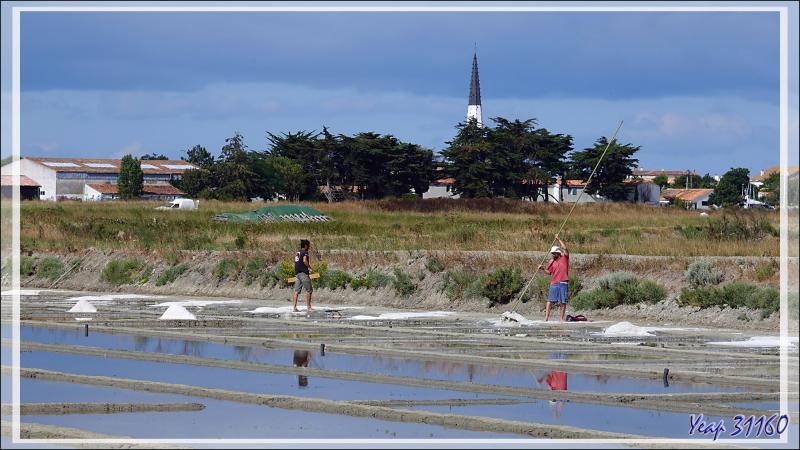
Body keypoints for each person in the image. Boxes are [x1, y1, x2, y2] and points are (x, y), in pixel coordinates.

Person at [536, 234, 569, 322]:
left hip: (563, 282)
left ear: (558, 253)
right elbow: (549, 272)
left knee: (563, 302)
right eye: (552, 253)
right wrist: (542, 268)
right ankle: (546, 318)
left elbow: (565, 248)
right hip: (554, 283)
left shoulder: (564, 258)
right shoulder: (551, 261)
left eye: (554, 253)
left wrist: (558, 239)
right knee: (550, 301)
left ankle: (561, 319)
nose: (553, 255)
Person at [292, 239, 314, 313]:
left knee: (296, 291)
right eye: (308, 245)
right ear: (306, 246)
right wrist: (309, 267)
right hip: (303, 273)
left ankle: (294, 307)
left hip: (297, 273)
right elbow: (304, 260)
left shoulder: (298, 252)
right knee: (309, 290)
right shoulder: (305, 252)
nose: (309, 247)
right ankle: (309, 307)